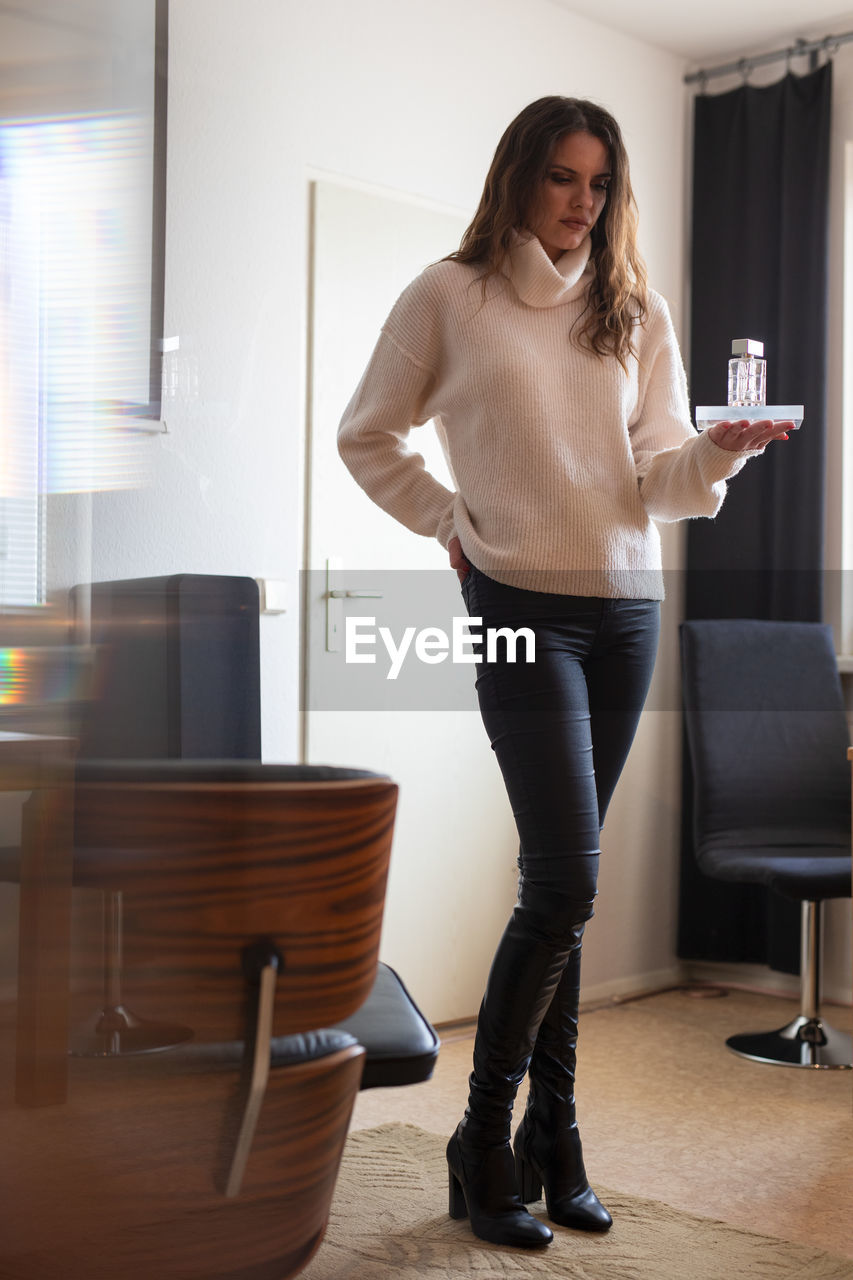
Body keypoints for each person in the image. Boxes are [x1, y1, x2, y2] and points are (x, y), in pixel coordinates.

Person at [337, 96, 792, 1250]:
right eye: (561, 178)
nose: (581, 202)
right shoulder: (452, 295)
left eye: (598, 182)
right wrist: (450, 517)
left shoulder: (633, 307)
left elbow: (658, 474)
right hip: (517, 606)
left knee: (567, 898)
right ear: (519, 178)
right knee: (567, 882)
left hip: (625, 609)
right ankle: (482, 1139)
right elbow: (367, 433)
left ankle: (556, 1134)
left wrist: (718, 457)